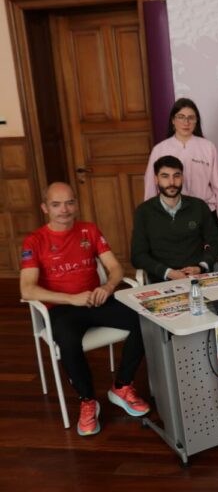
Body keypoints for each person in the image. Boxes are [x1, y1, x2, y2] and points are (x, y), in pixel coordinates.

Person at [20, 183, 150, 436]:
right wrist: (71, 299)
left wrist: (108, 287)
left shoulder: (88, 230)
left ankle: (122, 386)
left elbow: (115, 268)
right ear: (45, 208)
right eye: (56, 204)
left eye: (69, 203)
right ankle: (88, 400)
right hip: (62, 308)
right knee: (68, 342)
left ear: (76, 204)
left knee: (145, 320)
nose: (64, 210)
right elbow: (27, 290)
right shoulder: (34, 241)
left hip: (95, 300)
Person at [143, 98, 218, 230]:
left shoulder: (208, 147)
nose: (186, 122)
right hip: (171, 215)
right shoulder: (160, 150)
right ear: (173, 120)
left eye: (191, 118)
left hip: (205, 212)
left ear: (196, 121)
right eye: (181, 117)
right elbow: (151, 186)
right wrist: (153, 215)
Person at [132, 156, 218, 283]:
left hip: (197, 277)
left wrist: (201, 267)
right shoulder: (144, 211)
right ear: (156, 179)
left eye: (176, 176)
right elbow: (138, 256)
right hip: (162, 280)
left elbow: (217, 244)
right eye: (165, 176)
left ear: (182, 177)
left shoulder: (199, 206)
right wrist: (168, 272)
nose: (172, 182)